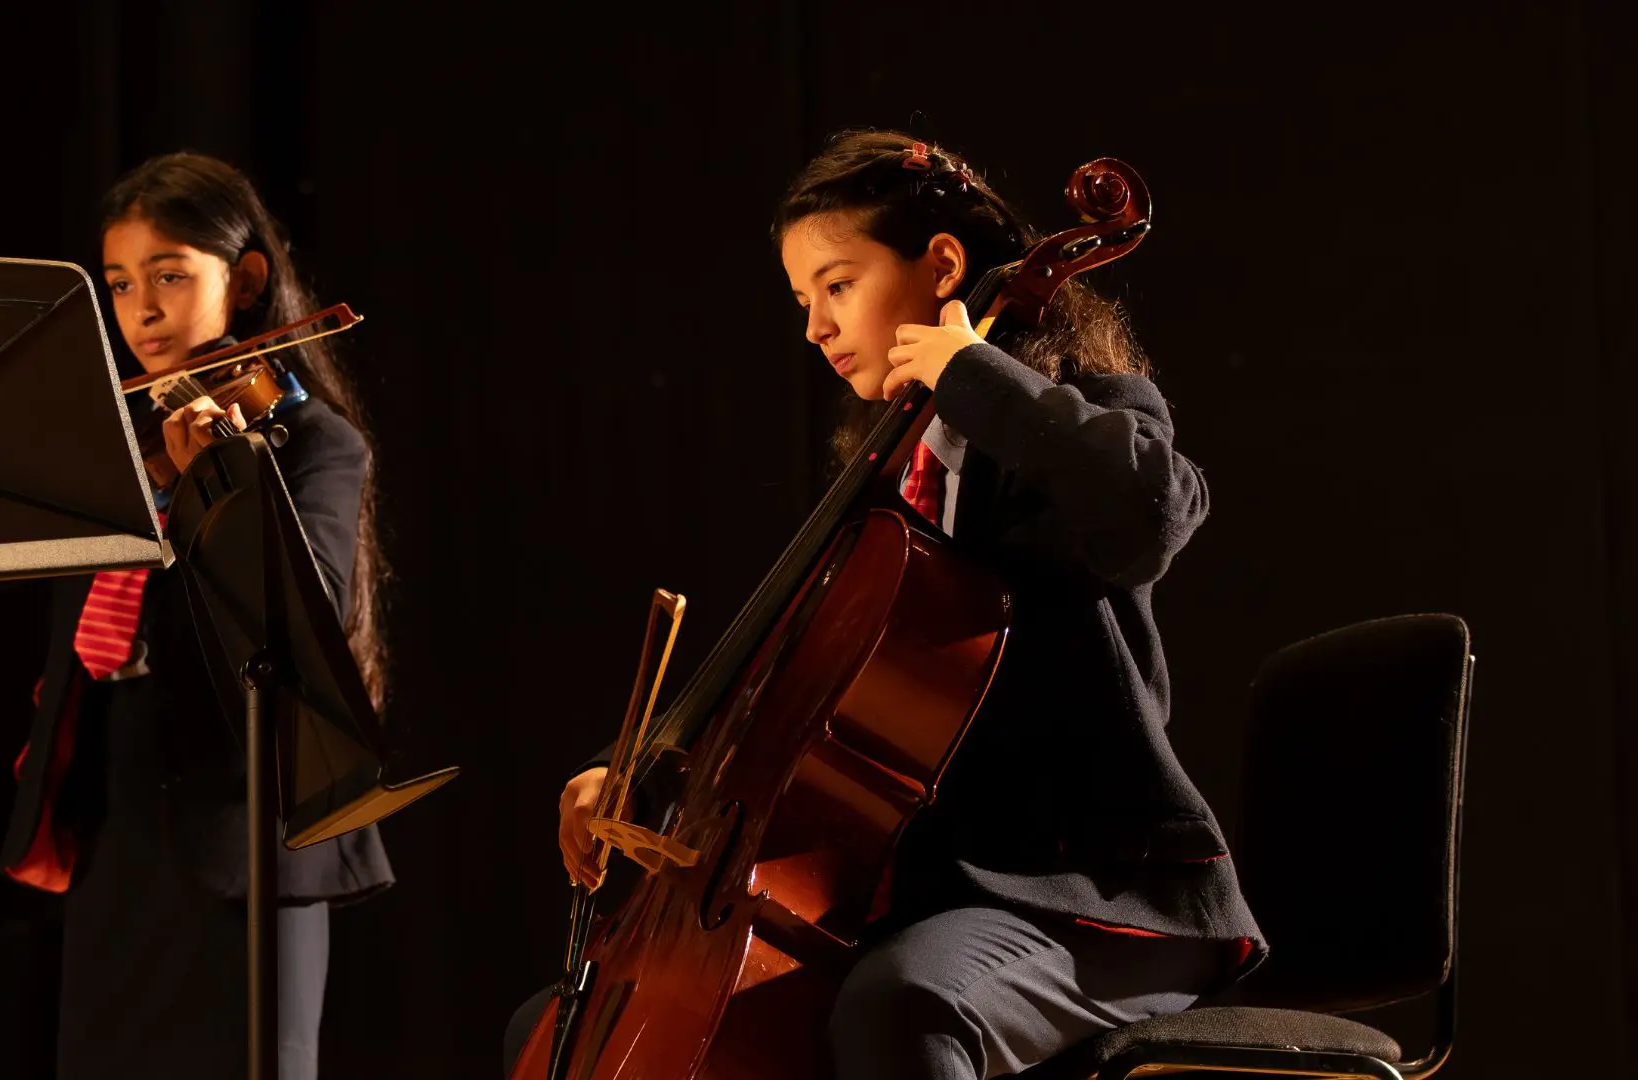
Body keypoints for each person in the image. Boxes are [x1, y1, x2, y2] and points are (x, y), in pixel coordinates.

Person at [509, 131, 1265, 1079]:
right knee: (560, 1029)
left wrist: (971, 372)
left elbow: (1156, 509)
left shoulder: (1073, 410)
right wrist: (632, 769)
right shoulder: (886, 491)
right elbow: (771, 698)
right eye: (802, 301)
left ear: (941, 263)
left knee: (903, 1004)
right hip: (928, 902)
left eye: (838, 284)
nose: (817, 328)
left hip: (1095, 896)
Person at [0, 151, 392, 1080]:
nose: (142, 309)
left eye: (171, 275)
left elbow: (311, 619)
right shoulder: (113, 443)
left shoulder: (311, 440)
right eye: (122, 282)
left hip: (242, 826)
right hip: (118, 818)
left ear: (246, 279)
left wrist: (222, 479)